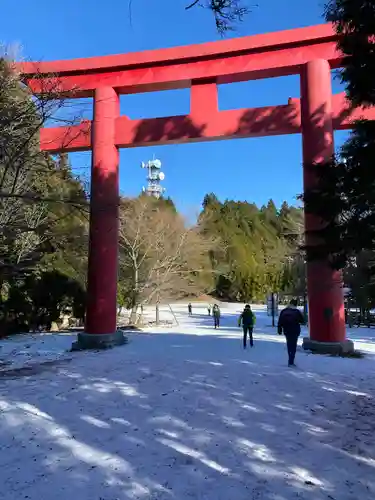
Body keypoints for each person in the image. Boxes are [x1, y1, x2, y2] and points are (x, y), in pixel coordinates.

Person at [278, 299, 305, 367]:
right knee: (294, 345)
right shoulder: (297, 312)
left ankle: (290, 358)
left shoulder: (284, 311)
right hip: (295, 330)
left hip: (287, 330)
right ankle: (291, 360)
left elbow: (280, 321)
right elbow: (302, 321)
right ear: (295, 305)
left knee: (289, 344)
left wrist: (279, 329)